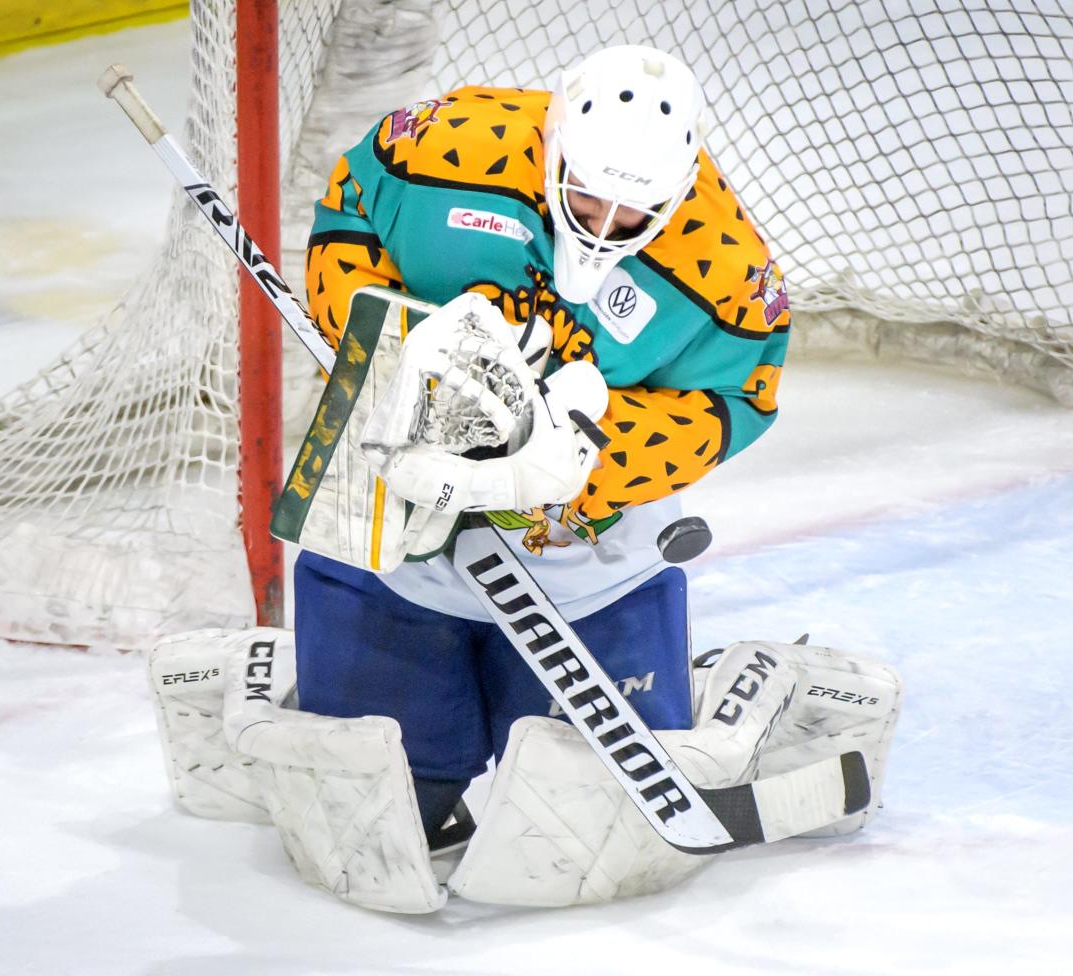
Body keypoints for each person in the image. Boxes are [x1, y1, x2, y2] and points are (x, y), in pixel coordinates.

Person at [294, 43, 791, 850]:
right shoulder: (448, 145)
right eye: (588, 196)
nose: (601, 225)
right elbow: (350, 208)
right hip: (388, 527)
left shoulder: (725, 266)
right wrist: (388, 344)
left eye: (630, 214)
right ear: (556, 145)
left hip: (581, 568)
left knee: (593, 826)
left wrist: (584, 459)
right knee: (373, 815)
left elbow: (742, 396)